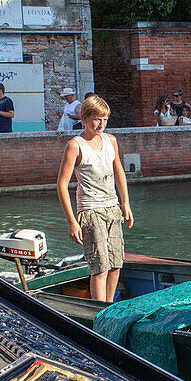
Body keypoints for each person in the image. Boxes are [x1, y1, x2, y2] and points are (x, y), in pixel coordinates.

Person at [56, 95, 134, 302]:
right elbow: (62, 184)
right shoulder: (76, 145)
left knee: (116, 264)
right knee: (100, 266)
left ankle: (108, 308)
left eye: (105, 119)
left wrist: (125, 203)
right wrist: (72, 222)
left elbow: (119, 171)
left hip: (112, 207)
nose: (101, 124)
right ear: (85, 118)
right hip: (90, 210)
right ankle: (98, 312)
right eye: (97, 119)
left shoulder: (111, 141)